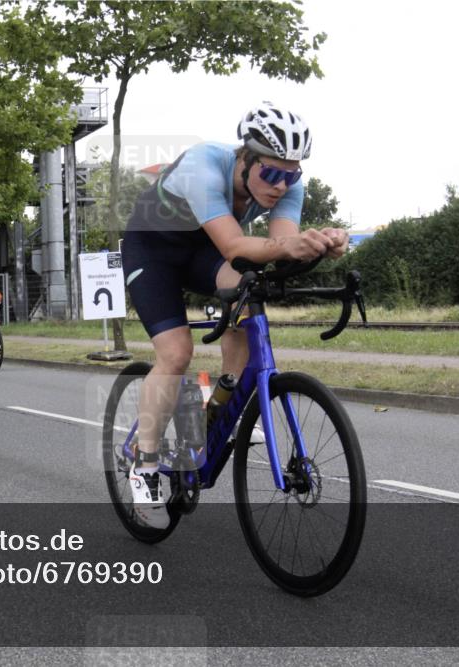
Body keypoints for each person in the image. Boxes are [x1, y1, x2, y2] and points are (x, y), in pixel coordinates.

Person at [120, 102, 350, 528]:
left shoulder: (289, 185)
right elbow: (234, 246)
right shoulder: (204, 165)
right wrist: (290, 245)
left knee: (250, 290)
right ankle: (144, 467)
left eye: (291, 175)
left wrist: (323, 242)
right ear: (245, 158)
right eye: (272, 173)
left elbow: (281, 248)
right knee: (176, 354)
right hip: (153, 250)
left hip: (201, 252)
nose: (281, 186)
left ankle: (217, 410)